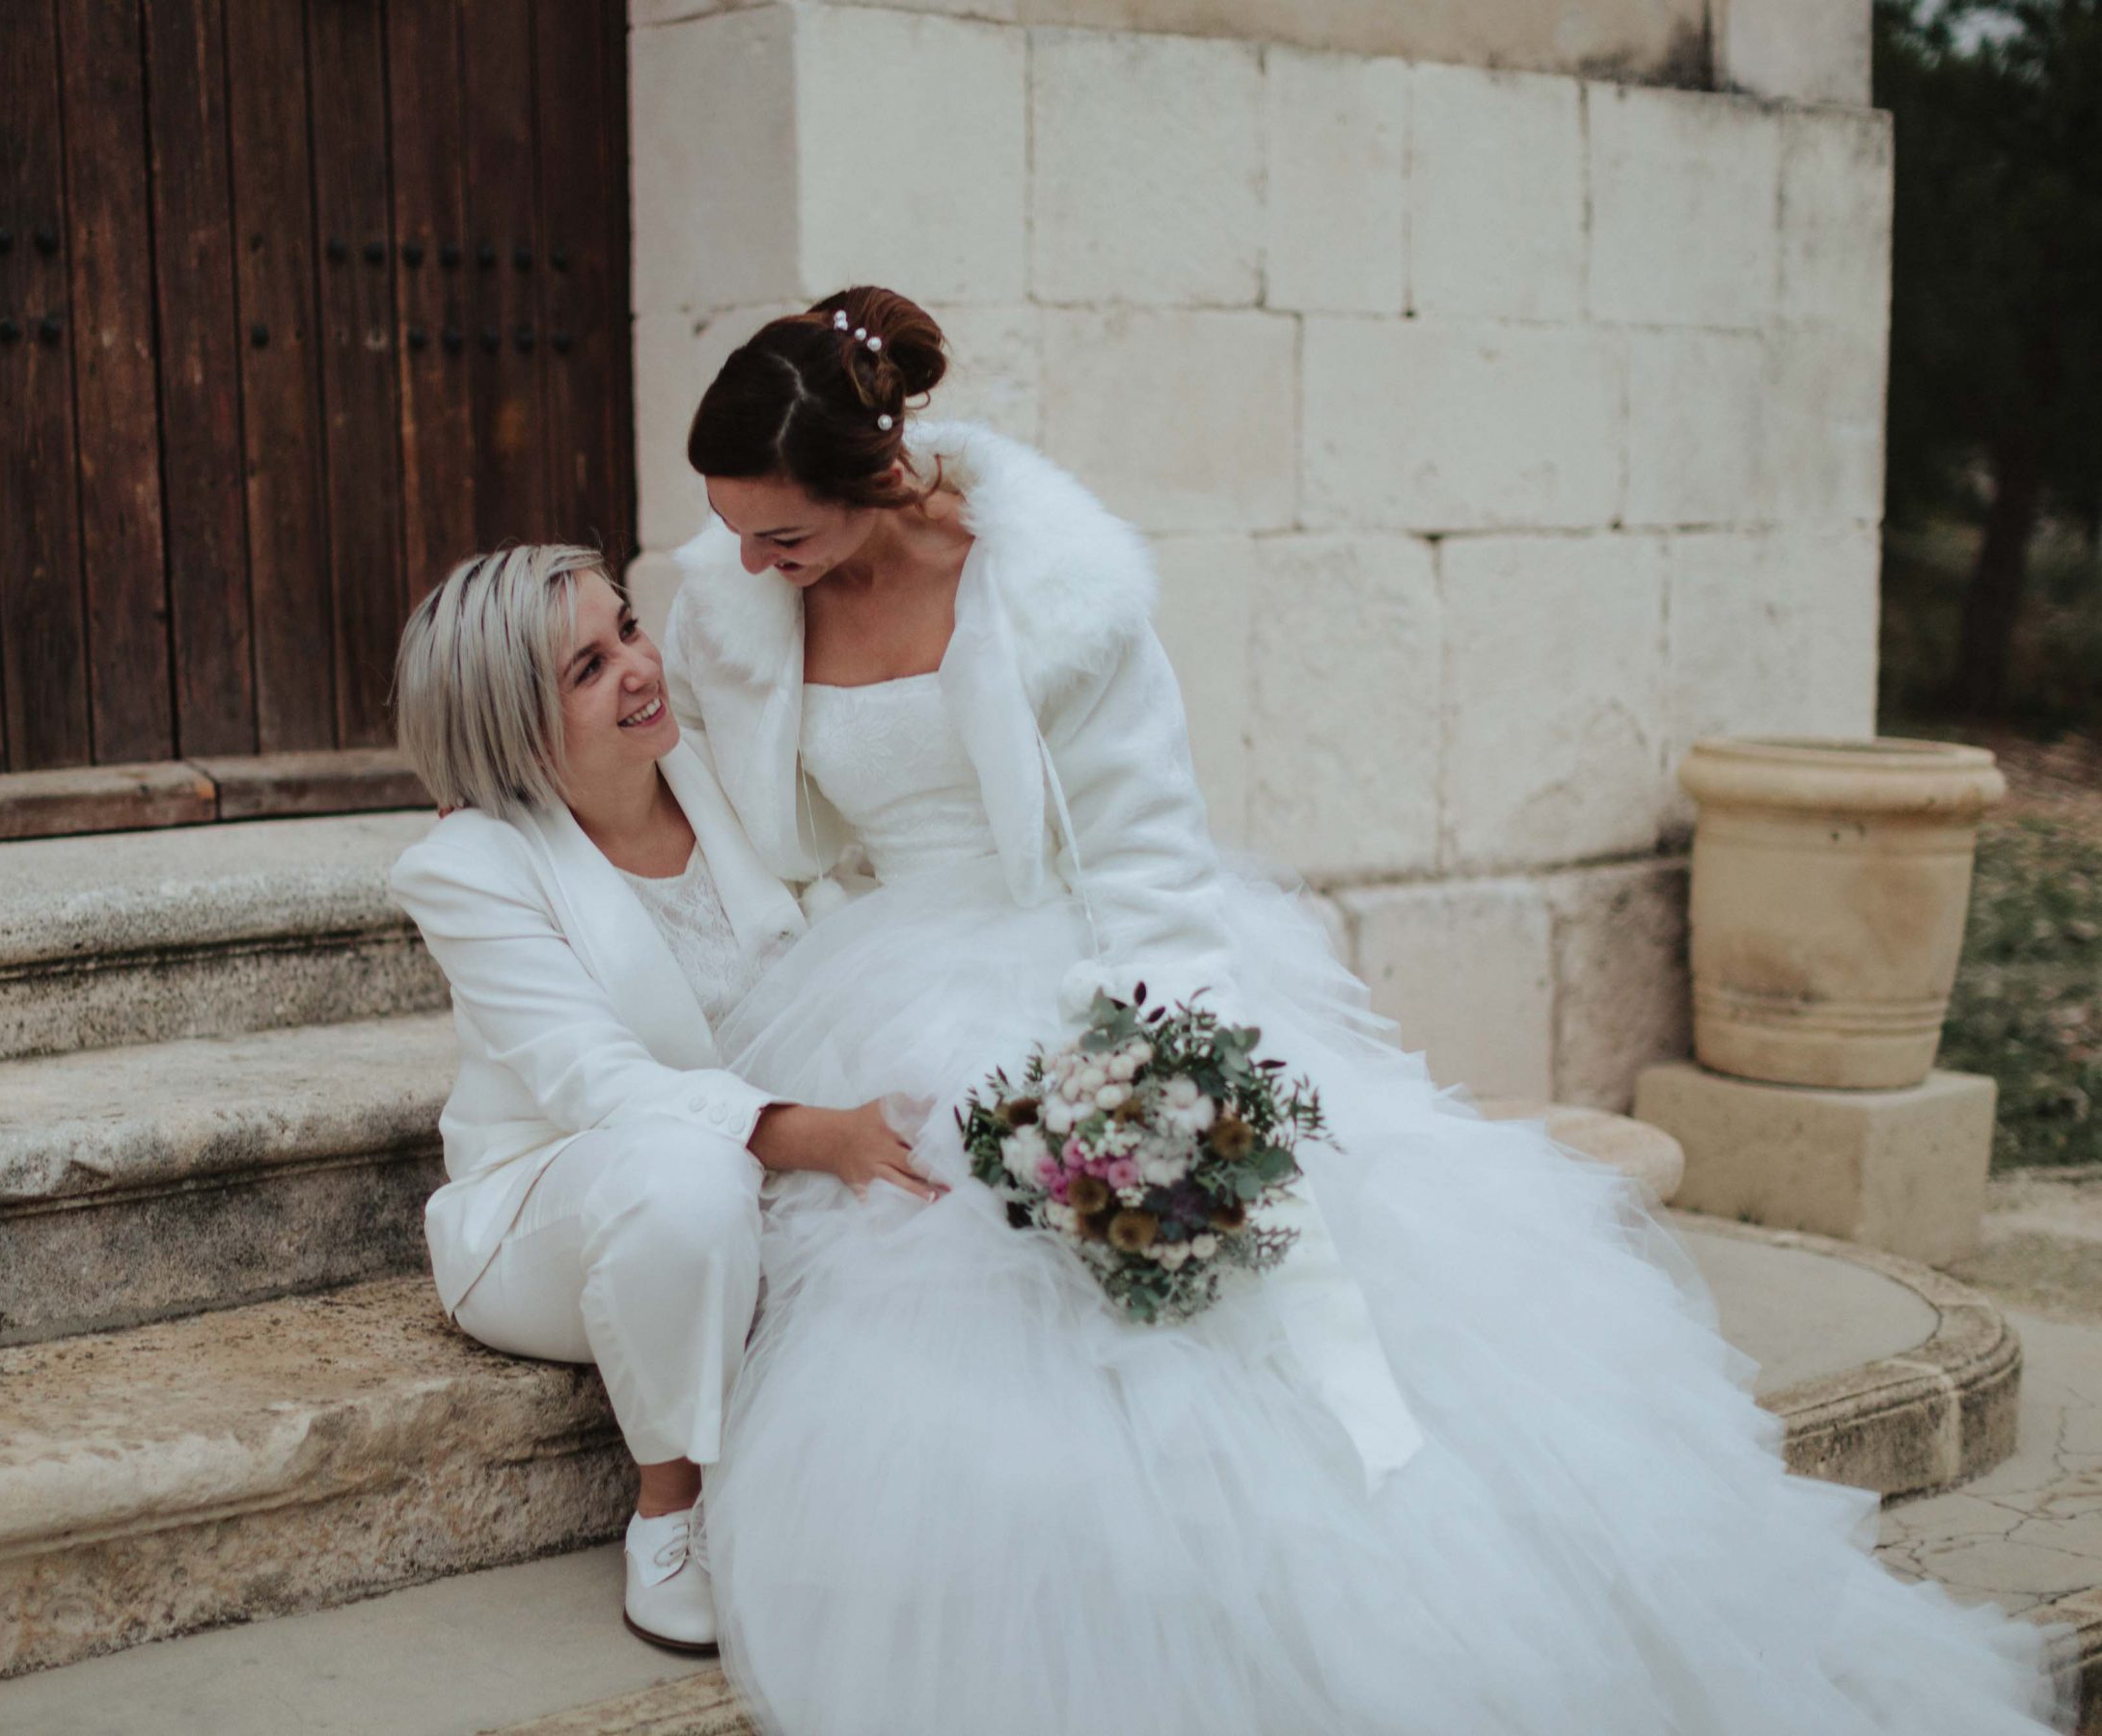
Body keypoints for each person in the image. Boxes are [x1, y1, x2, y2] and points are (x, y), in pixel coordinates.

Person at [661, 285, 2067, 1734]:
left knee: (1202, 1294)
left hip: (1082, 960)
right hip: (867, 973)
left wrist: (1159, 1074)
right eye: (734, 532)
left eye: (786, 536)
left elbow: (1148, 854)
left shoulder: (1053, 597)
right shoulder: (736, 606)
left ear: (879, 476)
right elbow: (732, 827)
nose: (754, 564)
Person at [386, 545, 931, 1654]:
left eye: (626, 628)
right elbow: (600, 1083)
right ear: (512, 730)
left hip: (749, 1169)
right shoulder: (469, 867)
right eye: (587, 669)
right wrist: (817, 1136)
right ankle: (672, 1517)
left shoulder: (707, 770)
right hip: (558, 1201)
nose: (639, 667)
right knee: (687, 1175)